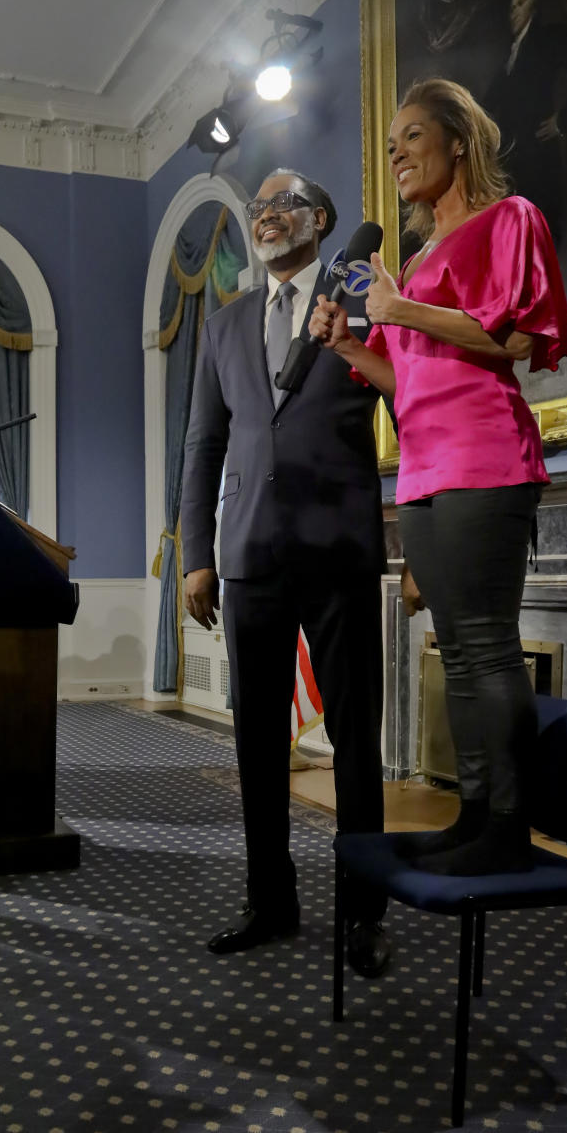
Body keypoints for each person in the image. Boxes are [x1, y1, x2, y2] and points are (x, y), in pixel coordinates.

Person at [310, 77, 567, 876]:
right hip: (423, 470)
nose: (397, 154)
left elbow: (514, 340)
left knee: (488, 647)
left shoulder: (507, 219)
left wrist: (398, 311)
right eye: (390, 144)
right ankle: (472, 814)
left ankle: (507, 825)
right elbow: (408, 381)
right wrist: (350, 349)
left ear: (458, 140)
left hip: (486, 458)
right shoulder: (418, 259)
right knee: (458, 651)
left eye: (413, 137)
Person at [181, 168, 390, 976]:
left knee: (355, 741)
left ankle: (363, 913)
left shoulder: (368, 308)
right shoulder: (225, 324)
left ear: (320, 219)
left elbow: (407, 404)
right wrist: (197, 554)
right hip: (248, 556)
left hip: (337, 550)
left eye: (283, 207)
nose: (267, 218)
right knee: (258, 742)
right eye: (258, 210)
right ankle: (271, 901)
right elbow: (203, 445)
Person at [483, 0, 567, 243]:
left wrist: (563, 119)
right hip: (513, 164)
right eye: (512, 6)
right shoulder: (509, 55)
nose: (514, 12)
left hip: (539, 157)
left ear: (534, 5)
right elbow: (488, 103)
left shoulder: (549, 38)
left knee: (544, 236)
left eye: (520, 4)